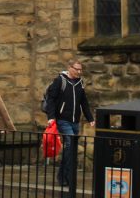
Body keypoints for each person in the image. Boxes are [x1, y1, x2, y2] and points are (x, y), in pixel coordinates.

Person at [43, 59, 95, 189]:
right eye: (77, 69)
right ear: (69, 68)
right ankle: (65, 177)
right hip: (62, 120)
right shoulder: (60, 81)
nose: (79, 72)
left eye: (80, 69)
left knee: (70, 149)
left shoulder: (80, 82)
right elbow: (51, 100)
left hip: (75, 121)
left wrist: (90, 118)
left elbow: (84, 102)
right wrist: (51, 117)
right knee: (70, 145)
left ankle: (64, 176)